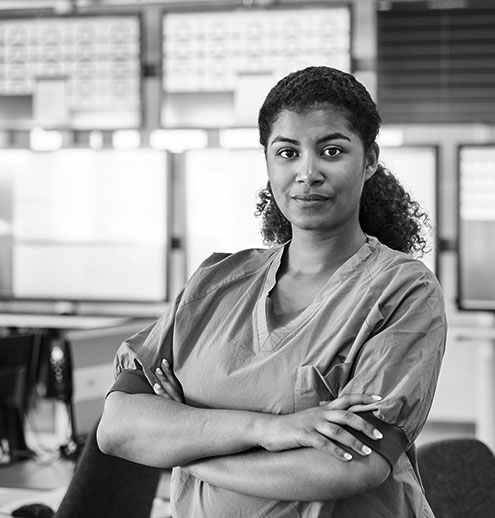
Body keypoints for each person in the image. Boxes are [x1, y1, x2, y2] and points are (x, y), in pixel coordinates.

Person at [97, 66, 447, 517]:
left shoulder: (402, 290)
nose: (308, 172)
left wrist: (184, 443)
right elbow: (117, 428)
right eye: (287, 152)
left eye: (332, 151)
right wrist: (270, 430)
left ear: (370, 159)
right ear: (267, 160)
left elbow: (349, 467)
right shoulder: (215, 282)